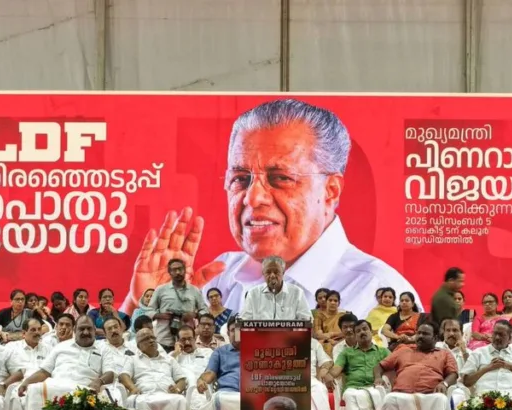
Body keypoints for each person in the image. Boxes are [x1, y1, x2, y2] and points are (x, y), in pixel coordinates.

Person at [124, 99, 416, 319]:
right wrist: (145, 305)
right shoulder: (221, 277)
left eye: (280, 179)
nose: (254, 198)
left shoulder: (376, 293)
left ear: (331, 190)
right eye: (240, 179)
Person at [12, 316, 119, 410]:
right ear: (74, 330)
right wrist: (26, 382)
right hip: (56, 385)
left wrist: (99, 381)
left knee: (81, 395)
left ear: (95, 330)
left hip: (83, 389)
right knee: (34, 389)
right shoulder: (61, 346)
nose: (86, 332)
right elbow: (44, 372)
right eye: (81, 329)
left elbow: (110, 373)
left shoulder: (104, 348)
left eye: (89, 329)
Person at [374, 320, 458, 410]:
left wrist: (444, 384)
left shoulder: (444, 353)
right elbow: (380, 366)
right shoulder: (403, 350)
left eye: (425, 334)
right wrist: (378, 377)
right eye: (419, 333)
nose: (420, 336)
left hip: (431, 394)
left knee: (441, 400)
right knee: (389, 399)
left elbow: (453, 374)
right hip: (401, 393)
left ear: (435, 338)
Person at [118, 328, 190, 410]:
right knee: (133, 401)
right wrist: (132, 388)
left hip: (167, 394)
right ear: (139, 346)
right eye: (146, 339)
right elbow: (123, 376)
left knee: (180, 400)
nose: (151, 340)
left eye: (153, 338)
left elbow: (181, 380)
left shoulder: (169, 359)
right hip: (143, 394)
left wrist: (177, 389)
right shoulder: (132, 359)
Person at [327, 320, 390, 410]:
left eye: (365, 329)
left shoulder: (383, 352)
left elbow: (393, 367)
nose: (362, 332)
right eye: (358, 331)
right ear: (355, 335)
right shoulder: (347, 353)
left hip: (375, 386)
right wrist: (329, 375)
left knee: (376, 394)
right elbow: (336, 369)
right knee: (350, 395)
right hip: (353, 387)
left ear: (371, 332)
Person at [457, 320, 512, 409]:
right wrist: (487, 368)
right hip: (483, 399)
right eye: (495, 333)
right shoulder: (478, 353)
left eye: (502, 335)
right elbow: (467, 382)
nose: (497, 337)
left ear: (510, 338)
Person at [194, 316, 242, 410]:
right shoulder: (220, 352)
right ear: (228, 333)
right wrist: (201, 380)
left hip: (253, 392)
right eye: (233, 330)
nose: (237, 333)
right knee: (219, 399)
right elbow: (210, 373)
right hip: (227, 392)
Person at [150, 259, 208, 350]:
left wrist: (194, 315)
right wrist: (160, 315)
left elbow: (205, 310)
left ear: (185, 270)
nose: (178, 272)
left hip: (187, 340)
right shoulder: (161, 290)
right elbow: (147, 311)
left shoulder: (194, 290)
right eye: (174, 270)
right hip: (164, 339)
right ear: (169, 272)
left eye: (180, 269)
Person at [238, 256, 312, 321]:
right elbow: (244, 320)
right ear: (263, 273)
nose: (272, 275)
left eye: (276, 272)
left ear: (283, 273)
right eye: (268, 272)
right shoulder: (253, 293)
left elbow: (306, 320)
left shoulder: (297, 293)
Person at [312, 290, 345, 356]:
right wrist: (331, 340)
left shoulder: (344, 316)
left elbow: (347, 332)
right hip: (326, 343)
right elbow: (319, 335)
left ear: (339, 303)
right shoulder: (319, 316)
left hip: (342, 342)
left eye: (335, 301)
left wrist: (330, 335)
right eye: (330, 300)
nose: (333, 303)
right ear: (326, 302)